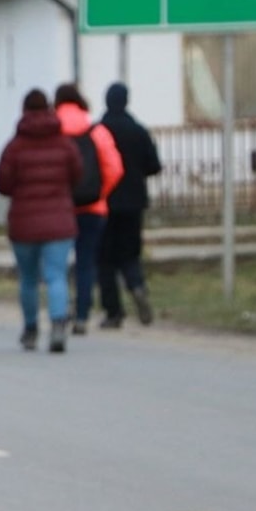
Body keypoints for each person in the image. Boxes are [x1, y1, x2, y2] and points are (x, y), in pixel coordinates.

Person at [0, 89, 83, 352]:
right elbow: (78, 174)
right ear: (49, 109)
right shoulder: (64, 143)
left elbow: (3, 184)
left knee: (29, 279)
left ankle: (31, 329)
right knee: (57, 276)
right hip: (59, 221)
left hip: (24, 223)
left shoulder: (15, 146)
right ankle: (57, 326)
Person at [54, 83, 124, 336]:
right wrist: (100, 193)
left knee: (57, 264)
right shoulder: (96, 129)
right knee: (86, 263)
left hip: (59, 207)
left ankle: (59, 312)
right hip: (93, 208)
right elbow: (115, 167)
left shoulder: (51, 129)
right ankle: (82, 315)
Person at [98, 82, 162, 329]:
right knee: (130, 253)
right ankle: (137, 286)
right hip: (134, 202)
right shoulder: (138, 131)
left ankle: (113, 312)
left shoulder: (99, 131)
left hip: (104, 202)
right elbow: (154, 165)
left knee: (104, 259)